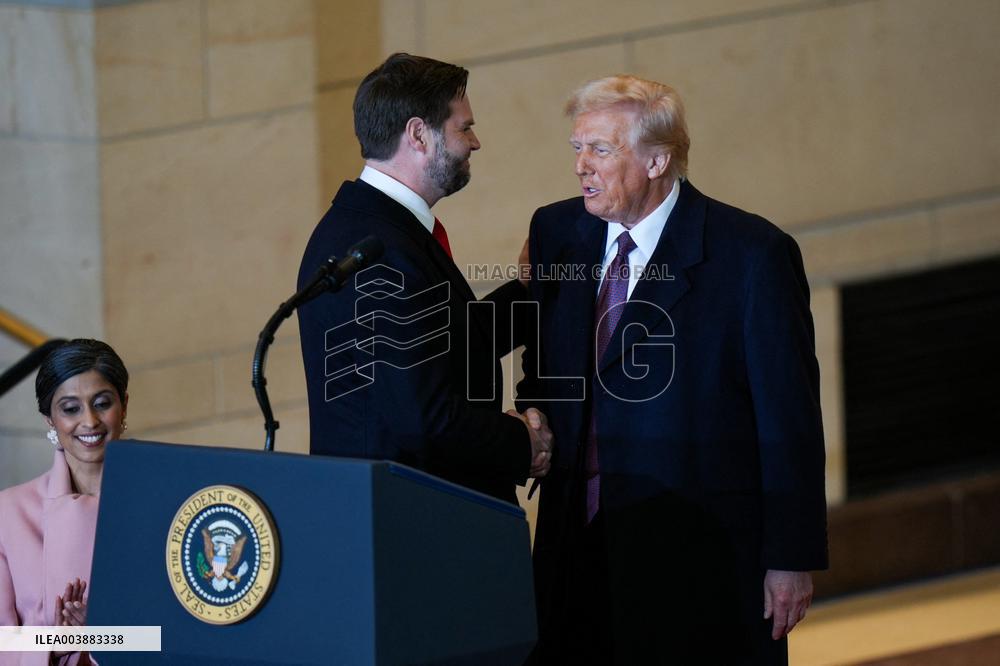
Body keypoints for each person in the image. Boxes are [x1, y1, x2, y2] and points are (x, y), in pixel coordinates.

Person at [518, 75, 828, 665]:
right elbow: (546, 357)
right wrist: (534, 416)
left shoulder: (752, 256)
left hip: (699, 560)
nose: (582, 165)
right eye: (577, 148)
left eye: (601, 150)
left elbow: (788, 417)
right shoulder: (557, 231)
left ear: (658, 159)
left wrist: (789, 556)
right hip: (574, 549)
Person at [297, 53, 552, 505]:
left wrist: (528, 290)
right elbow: (423, 416)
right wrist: (521, 444)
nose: (475, 142)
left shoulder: (377, 228)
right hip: (412, 526)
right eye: (464, 127)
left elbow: (437, 349)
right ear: (418, 134)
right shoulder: (374, 248)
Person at [0, 339, 129, 666]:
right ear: (49, 420)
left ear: (124, 405)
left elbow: (177, 630)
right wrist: (55, 642)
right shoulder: (9, 512)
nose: (90, 421)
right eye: (70, 408)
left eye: (102, 403)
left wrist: (102, 632)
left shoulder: (165, 503)